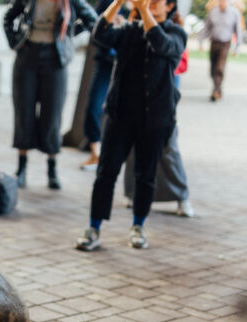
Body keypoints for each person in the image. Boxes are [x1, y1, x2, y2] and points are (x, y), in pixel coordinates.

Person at [75, 0, 186, 251]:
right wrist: (117, 3)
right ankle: (93, 227)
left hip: (155, 118)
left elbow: (162, 45)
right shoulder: (128, 29)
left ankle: (138, 226)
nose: (150, 2)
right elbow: (100, 34)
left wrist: (144, 11)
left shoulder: (176, 33)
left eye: (157, 0)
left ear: (169, 7)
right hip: (119, 116)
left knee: (145, 177)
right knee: (105, 174)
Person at [5, 0, 98, 189]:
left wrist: (68, 33)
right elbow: (8, 17)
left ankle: (52, 169)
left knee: (52, 115)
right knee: (24, 113)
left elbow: (91, 19)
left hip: (56, 60)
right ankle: (21, 169)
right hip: (27, 56)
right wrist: (15, 40)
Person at [123, 8, 194, 217]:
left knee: (168, 147)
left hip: (163, 96)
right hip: (135, 96)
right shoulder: (131, 26)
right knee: (134, 147)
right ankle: (133, 193)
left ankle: (182, 196)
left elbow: (170, 52)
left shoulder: (175, 30)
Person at [81, 0, 120, 171]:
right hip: (105, 60)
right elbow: (94, 23)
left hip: (128, 63)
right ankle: (95, 152)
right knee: (93, 107)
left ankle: (113, 155)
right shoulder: (108, 2)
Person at [199, 0, 241, 101]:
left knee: (219, 68)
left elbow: (238, 31)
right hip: (214, 42)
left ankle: (216, 91)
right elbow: (206, 28)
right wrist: (200, 42)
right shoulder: (213, 12)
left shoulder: (234, 13)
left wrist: (237, 48)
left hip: (225, 44)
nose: (223, 2)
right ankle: (217, 88)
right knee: (213, 69)